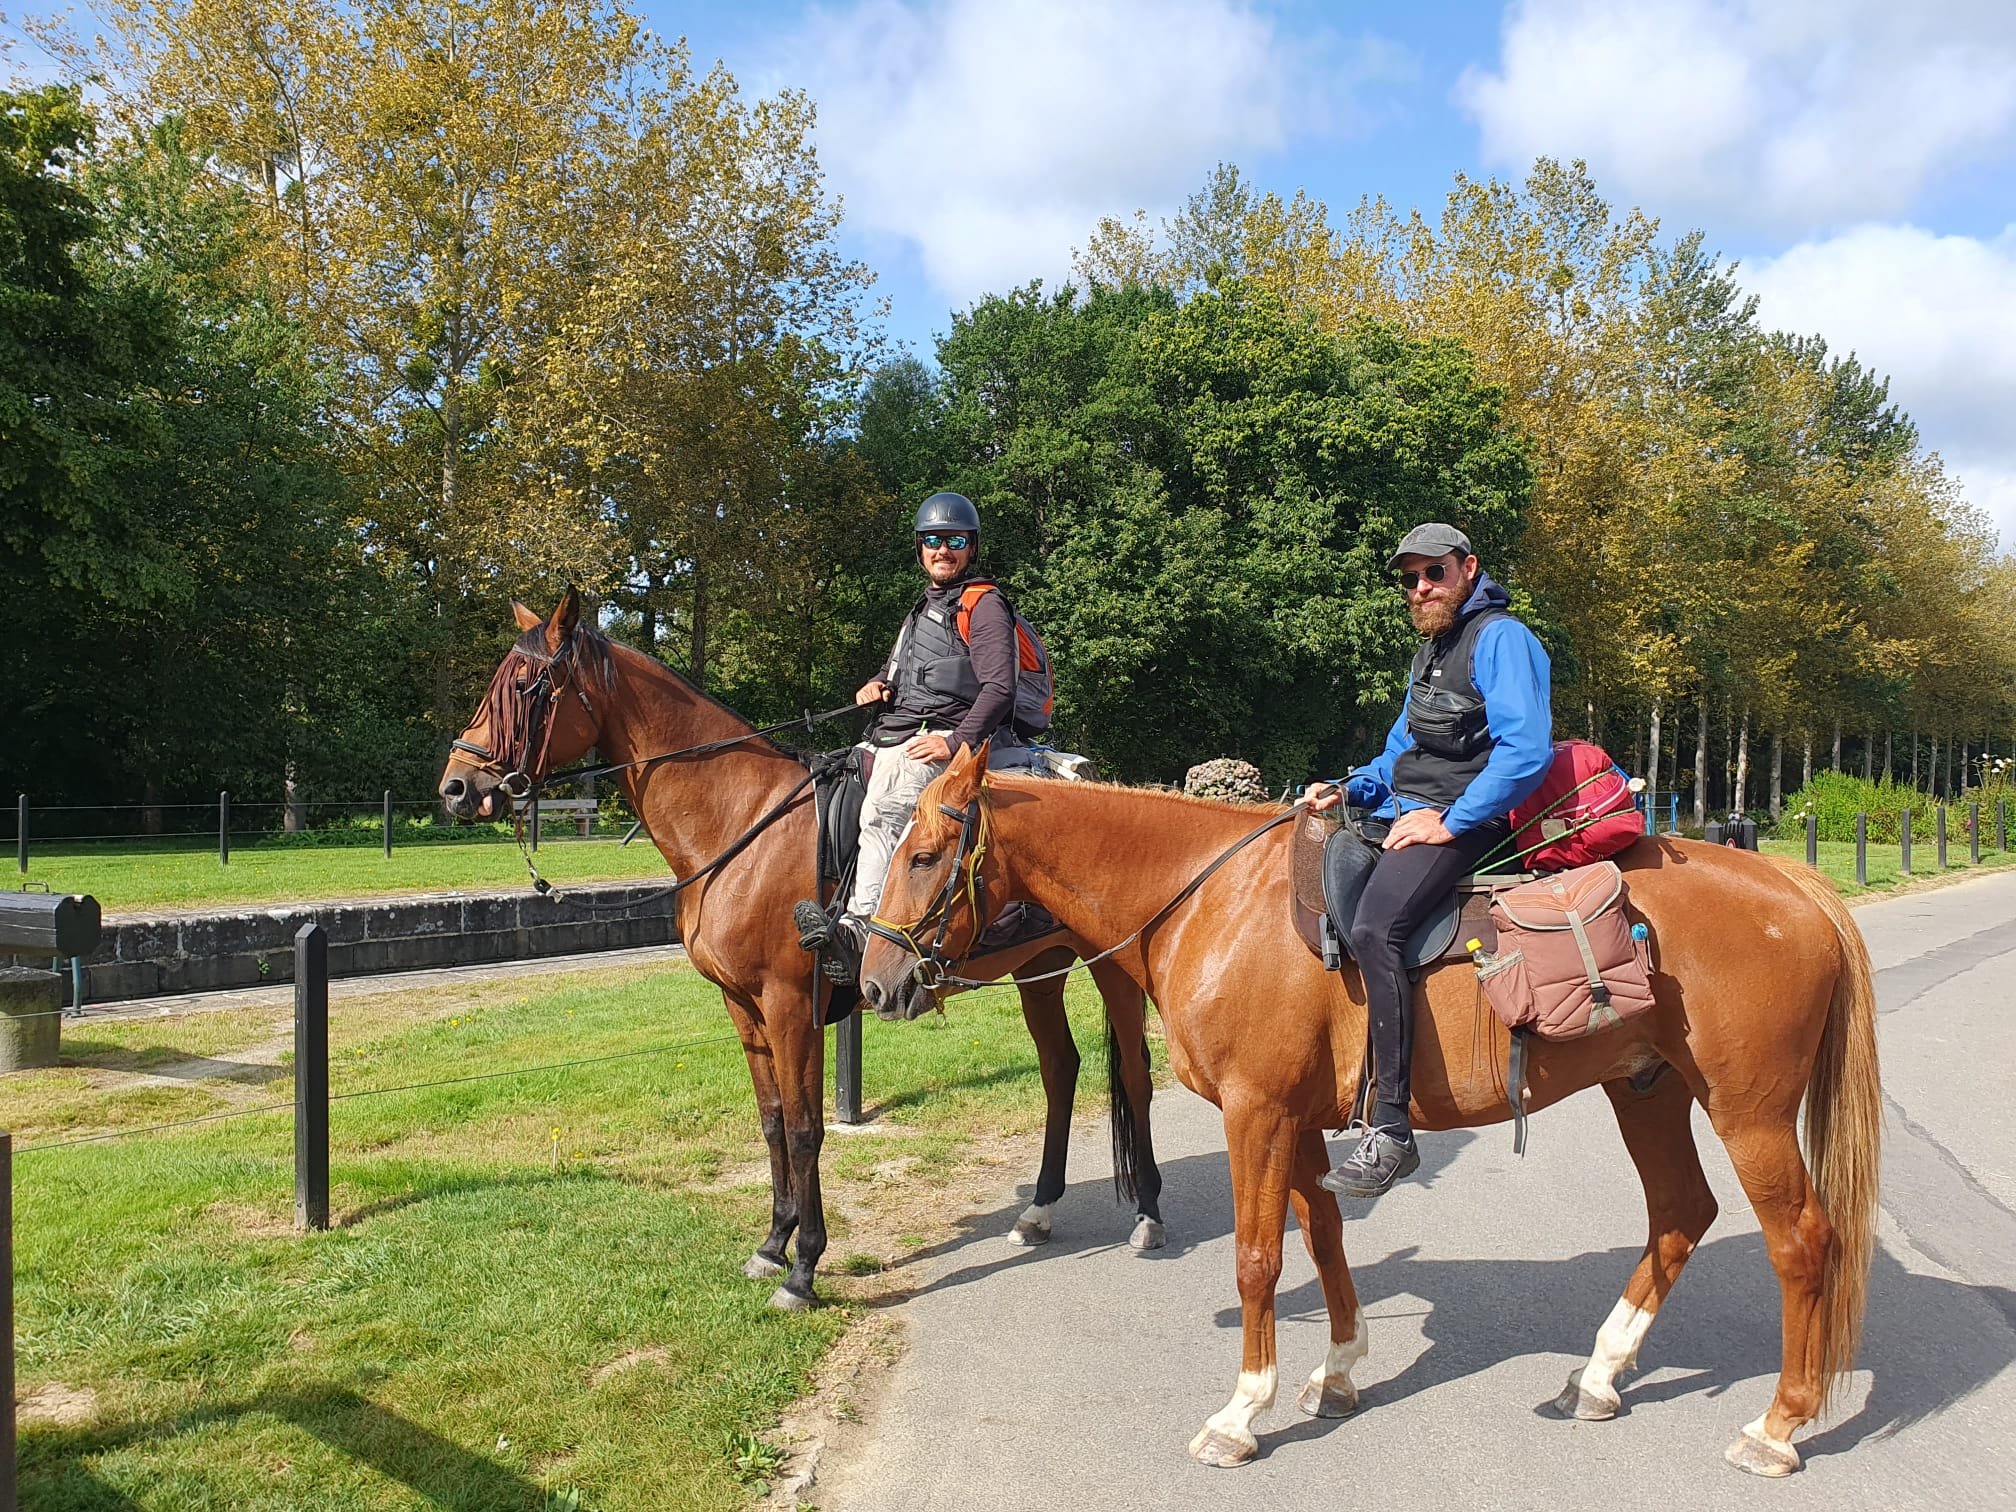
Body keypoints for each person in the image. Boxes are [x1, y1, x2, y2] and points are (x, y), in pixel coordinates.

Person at [1305, 522, 1553, 1199]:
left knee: (1374, 925)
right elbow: (1395, 759)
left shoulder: (1501, 639)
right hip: (1413, 811)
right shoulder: (1428, 656)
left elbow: (1526, 751)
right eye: (1409, 579)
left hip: (1470, 821)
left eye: (1432, 573)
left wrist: (1451, 821)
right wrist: (1347, 785)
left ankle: (1391, 1130)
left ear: (1468, 569)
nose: (1420, 588)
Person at [795, 491, 1039, 984]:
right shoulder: (918, 612)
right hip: (898, 731)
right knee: (830, 779)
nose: (942, 549)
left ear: (970, 547)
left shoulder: (984, 604)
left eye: (953, 540)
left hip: (946, 739)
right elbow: (896, 674)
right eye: (932, 540)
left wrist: (954, 743)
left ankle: (862, 929)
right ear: (919, 548)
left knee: (885, 807)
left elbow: (1000, 687)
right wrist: (875, 686)